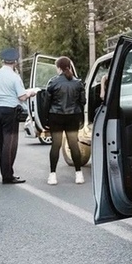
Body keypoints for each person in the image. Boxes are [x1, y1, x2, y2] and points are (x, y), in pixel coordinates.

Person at [0, 47, 38, 185]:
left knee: (0, 142)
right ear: (15, 62)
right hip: (9, 110)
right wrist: (31, 93)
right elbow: (22, 97)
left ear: (3, 60)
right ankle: (8, 175)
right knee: (10, 144)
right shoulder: (14, 77)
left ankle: (5, 172)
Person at [45, 56, 86, 185]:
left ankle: (52, 176)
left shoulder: (53, 82)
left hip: (56, 116)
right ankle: (79, 175)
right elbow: (83, 102)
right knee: (73, 145)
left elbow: (47, 103)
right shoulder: (78, 83)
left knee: (56, 145)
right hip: (73, 116)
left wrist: (45, 118)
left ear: (59, 68)